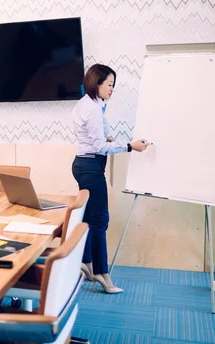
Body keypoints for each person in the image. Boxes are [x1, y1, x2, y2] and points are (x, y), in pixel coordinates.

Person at [71, 64, 150, 294]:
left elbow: (94, 139)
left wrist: (107, 139)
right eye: (110, 84)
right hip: (90, 167)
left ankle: (86, 261)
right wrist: (129, 146)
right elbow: (98, 146)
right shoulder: (93, 109)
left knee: (87, 218)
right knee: (100, 220)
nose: (112, 89)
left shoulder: (87, 103)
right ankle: (101, 273)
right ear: (97, 83)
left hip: (83, 165)